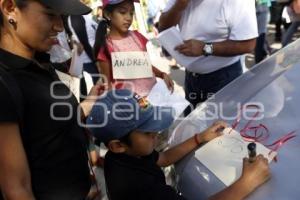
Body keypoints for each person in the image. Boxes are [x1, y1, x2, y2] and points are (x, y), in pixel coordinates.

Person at [0, 0, 104, 199]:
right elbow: (17, 188)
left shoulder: (40, 64)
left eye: (62, 17)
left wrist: (89, 101)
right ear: (10, 8)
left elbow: (51, 127)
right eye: (50, 15)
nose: (59, 26)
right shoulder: (5, 81)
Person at [86, 89, 271, 200]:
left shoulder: (127, 154)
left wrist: (199, 138)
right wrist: (247, 182)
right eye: (149, 132)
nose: (157, 133)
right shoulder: (139, 187)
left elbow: (163, 158)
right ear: (118, 145)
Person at [159, 0, 258, 115]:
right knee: (190, 125)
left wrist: (205, 48)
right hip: (191, 77)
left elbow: (248, 44)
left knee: (219, 128)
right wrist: (180, 5)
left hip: (224, 77)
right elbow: (163, 26)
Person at [94, 0, 174, 97]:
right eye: (122, 12)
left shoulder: (137, 37)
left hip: (154, 97)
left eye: (131, 13)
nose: (128, 18)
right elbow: (108, 86)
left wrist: (162, 74)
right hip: (130, 106)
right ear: (108, 14)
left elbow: (145, 66)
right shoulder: (106, 47)